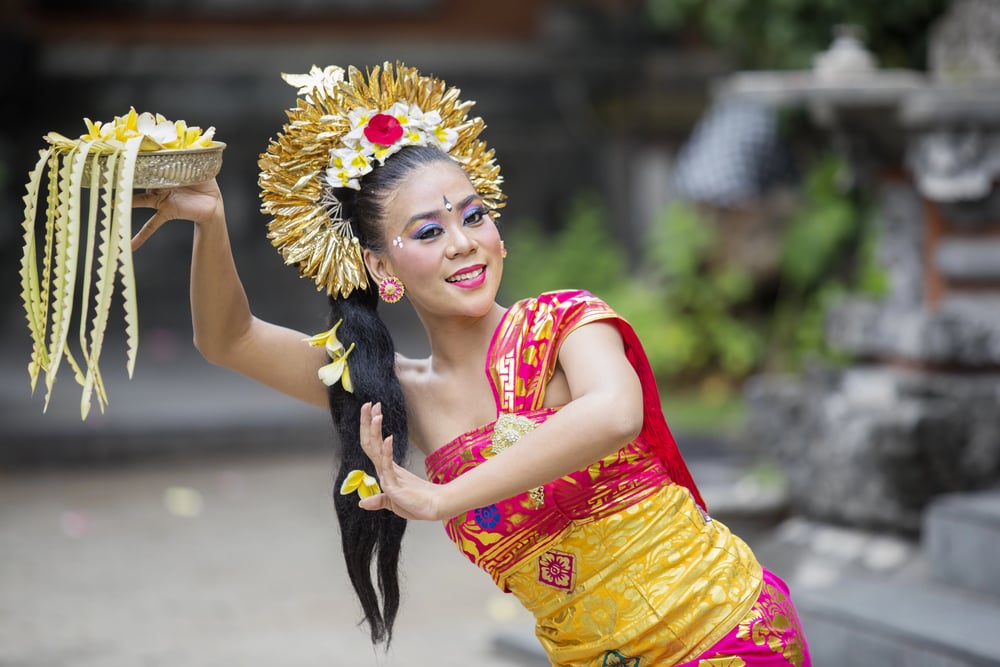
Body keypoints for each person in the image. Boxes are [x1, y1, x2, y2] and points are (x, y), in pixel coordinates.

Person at [131, 63, 811, 666]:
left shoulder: (565, 322)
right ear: (380, 266)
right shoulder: (400, 394)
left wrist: (440, 498)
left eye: (473, 216)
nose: (463, 243)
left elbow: (612, 413)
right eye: (428, 231)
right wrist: (211, 222)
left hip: (727, 632)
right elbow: (230, 340)